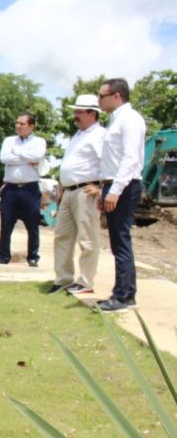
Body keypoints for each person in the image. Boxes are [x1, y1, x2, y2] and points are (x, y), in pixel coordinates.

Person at [96, 78, 146, 311]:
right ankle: (128, 294)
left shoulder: (130, 119)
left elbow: (130, 159)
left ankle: (121, 296)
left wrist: (114, 190)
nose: (99, 100)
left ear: (116, 96)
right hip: (113, 183)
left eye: (102, 96)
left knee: (120, 241)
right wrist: (103, 189)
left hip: (124, 185)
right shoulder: (116, 120)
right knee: (118, 240)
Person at [47, 95, 105, 296]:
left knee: (87, 238)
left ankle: (86, 281)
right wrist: (63, 188)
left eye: (79, 112)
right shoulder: (78, 135)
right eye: (75, 111)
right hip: (70, 191)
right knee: (62, 236)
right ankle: (63, 278)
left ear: (92, 113)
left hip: (86, 191)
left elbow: (108, 163)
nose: (75, 116)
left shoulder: (99, 135)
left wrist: (101, 189)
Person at [0, 112, 47, 267]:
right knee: (6, 224)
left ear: (31, 126)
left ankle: (33, 257)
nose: (18, 126)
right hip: (10, 189)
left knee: (32, 224)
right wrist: (27, 159)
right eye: (17, 123)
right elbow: (4, 158)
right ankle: (3, 256)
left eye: (22, 124)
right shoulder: (9, 141)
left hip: (30, 188)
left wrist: (17, 154)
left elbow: (37, 156)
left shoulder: (39, 141)